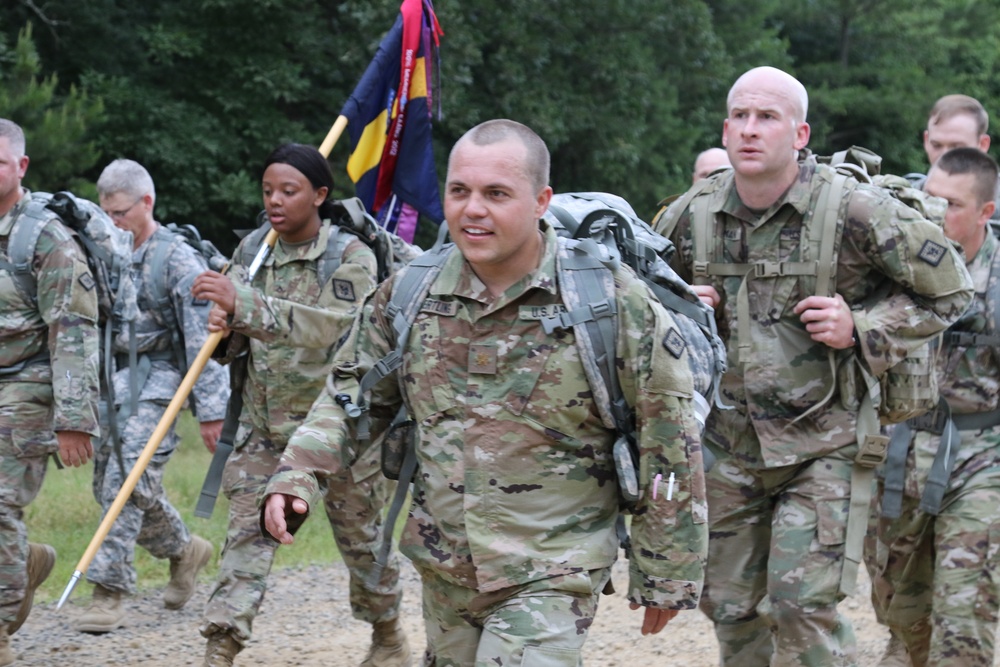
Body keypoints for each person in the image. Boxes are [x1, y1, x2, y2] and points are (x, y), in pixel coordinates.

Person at [262, 119, 708, 666]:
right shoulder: (408, 293)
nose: (473, 209)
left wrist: (667, 567)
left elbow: (669, 433)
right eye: (459, 191)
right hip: (444, 565)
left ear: (541, 199)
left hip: (552, 569)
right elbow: (351, 396)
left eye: (496, 194)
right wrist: (299, 472)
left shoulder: (610, 300)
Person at [653, 67, 974, 666]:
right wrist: (675, 308)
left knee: (802, 607)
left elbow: (951, 289)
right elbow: (638, 312)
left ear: (800, 134)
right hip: (727, 447)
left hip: (825, 442)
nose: (751, 130)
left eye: (768, 118)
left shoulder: (855, 209)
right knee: (729, 606)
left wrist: (863, 326)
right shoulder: (689, 217)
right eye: (741, 117)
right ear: (725, 129)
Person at [190, 143, 408, 667]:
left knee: (363, 547)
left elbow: (335, 328)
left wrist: (245, 304)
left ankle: (387, 633)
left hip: (339, 433)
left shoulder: (349, 256)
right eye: (268, 190)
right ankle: (220, 648)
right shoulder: (252, 252)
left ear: (319, 195)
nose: (275, 201)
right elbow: (237, 341)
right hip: (265, 430)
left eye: (289, 191)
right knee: (246, 538)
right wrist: (223, 330)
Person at [71, 159, 229, 633]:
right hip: (111, 383)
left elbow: (206, 337)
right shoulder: (102, 252)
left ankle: (109, 590)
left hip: (160, 380)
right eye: (108, 213)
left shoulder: (176, 258)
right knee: (112, 488)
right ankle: (185, 551)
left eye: (121, 213)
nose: (114, 222)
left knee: (125, 483)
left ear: (147, 203)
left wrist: (212, 411)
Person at [867, 147, 1000, 666]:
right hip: (897, 454)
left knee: (964, 611)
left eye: (949, 205)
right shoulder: (892, 268)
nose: (933, 213)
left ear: (986, 212)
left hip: (982, 456)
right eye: (927, 199)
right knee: (901, 614)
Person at [0, 118, 99, 664]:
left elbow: (74, 330)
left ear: (21, 167)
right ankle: (26, 561)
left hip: (31, 382)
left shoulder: (44, 237)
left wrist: (74, 419)